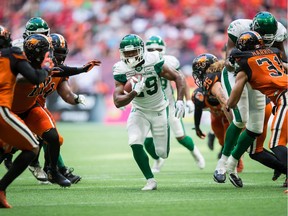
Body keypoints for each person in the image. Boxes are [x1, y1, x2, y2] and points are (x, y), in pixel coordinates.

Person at [213, 11, 287, 186]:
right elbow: (229, 57)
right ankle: (221, 165)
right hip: (239, 72)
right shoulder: (239, 28)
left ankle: (232, 164)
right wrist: (233, 63)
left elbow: (280, 57)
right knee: (240, 119)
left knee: (255, 127)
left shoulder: (279, 33)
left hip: (258, 75)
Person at [113, 34, 186, 190]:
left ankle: (160, 157)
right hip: (139, 110)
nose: (130, 56)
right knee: (134, 141)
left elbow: (178, 77)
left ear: (141, 50)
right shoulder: (121, 68)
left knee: (162, 153)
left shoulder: (153, 59)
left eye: (133, 52)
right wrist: (133, 93)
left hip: (159, 109)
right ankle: (150, 180)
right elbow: (117, 100)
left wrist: (180, 100)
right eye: (127, 53)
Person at [0, 26, 49, 208]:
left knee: (3, 148)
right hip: (2, 108)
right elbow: (35, 78)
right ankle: (1, 188)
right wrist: (45, 69)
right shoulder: (12, 53)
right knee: (32, 148)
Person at [143, 35, 205, 173]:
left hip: (169, 105)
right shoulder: (141, 62)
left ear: (163, 49)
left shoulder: (170, 61)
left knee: (180, 136)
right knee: (147, 141)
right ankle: (158, 159)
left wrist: (187, 100)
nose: (154, 51)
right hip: (151, 106)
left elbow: (181, 80)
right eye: (151, 49)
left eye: (157, 48)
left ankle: (196, 153)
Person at [191, 54, 231, 161]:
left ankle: (234, 164)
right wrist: (197, 126)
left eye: (198, 70)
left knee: (231, 141)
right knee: (223, 141)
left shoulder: (218, 79)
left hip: (229, 112)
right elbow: (198, 108)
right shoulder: (200, 93)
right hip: (217, 116)